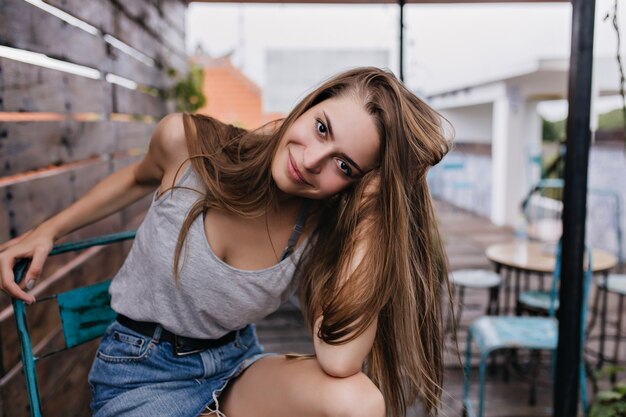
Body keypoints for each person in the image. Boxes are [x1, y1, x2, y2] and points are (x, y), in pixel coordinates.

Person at [0, 67, 451, 417]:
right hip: (141, 373)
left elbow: (338, 361)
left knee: (360, 403)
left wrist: (375, 208)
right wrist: (51, 229)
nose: (313, 162)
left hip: (235, 365)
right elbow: (137, 177)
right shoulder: (188, 144)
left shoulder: (321, 226)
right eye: (321, 128)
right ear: (308, 105)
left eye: (345, 166)